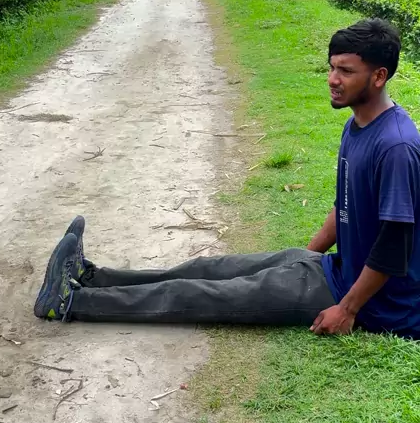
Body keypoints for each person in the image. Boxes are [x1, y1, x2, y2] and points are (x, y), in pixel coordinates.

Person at [34, 18, 420, 338]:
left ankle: (69, 301)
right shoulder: (357, 125)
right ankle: (92, 277)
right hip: (337, 269)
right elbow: (344, 206)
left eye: (346, 71)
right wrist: (307, 255)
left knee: (205, 294)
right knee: (206, 269)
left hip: (375, 304)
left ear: (379, 76)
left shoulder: (396, 146)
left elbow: (394, 246)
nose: (333, 79)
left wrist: (347, 309)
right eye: (332, 67)